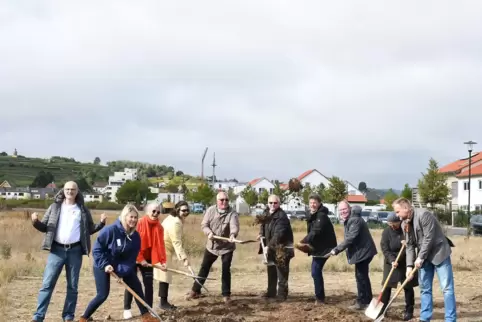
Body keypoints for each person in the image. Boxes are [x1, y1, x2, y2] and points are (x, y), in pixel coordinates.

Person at [30, 181, 106, 322]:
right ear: (63, 191)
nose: (70, 191)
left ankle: (68, 316)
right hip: (56, 251)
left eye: (73, 189)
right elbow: (45, 227)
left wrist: (101, 224)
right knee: (47, 284)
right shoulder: (54, 207)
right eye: (67, 189)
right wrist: (35, 222)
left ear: (77, 192)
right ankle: (38, 316)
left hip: (75, 251)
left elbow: (89, 229)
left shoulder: (82, 210)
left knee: (72, 286)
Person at [79, 204, 159, 322]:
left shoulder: (135, 237)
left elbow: (131, 259)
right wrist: (105, 265)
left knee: (136, 286)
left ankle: (146, 315)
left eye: (135, 217)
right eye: (130, 217)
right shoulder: (110, 230)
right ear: (124, 217)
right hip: (102, 264)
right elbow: (97, 249)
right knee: (102, 294)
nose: (133, 220)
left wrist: (121, 273)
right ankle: (84, 318)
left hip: (120, 265)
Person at [393, 197, 456, 322]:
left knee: (447, 288)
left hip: (439, 254)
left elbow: (429, 238)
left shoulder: (424, 215)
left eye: (397, 211)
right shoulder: (405, 223)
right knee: (424, 288)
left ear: (406, 208)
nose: (397, 215)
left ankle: (450, 319)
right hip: (424, 257)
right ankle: (425, 317)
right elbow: (410, 245)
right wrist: (409, 267)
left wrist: (420, 257)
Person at [185, 191, 239, 304]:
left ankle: (226, 295)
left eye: (226, 200)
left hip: (227, 246)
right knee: (204, 267)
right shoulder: (210, 210)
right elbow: (204, 225)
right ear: (217, 201)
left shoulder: (232, 213)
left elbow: (234, 226)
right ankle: (195, 290)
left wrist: (233, 235)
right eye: (221, 200)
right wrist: (208, 232)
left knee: (225, 269)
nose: (224, 202)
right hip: (212, 246)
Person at [328, 201, 378, 310]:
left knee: (361, 277)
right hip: (362, 252)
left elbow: (350, 238)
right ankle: (366, 299)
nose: (343, 212)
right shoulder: (351, 219)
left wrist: (336, 250)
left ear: (349, 208)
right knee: (362, 276)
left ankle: (362, 301)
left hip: (364, 252)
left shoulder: (354, 220)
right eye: (341, 210)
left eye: (344, 209)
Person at [123, 202, 167, 319]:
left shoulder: (159, 227)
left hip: (148, 259)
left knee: (149, 284)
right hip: (133, 256)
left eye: (158, 212)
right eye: (153, 211)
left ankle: (149, 309)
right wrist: (140, 259)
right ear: (147, 212)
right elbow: (134, 243)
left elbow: (160, 245)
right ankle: (127, 308)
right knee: (131, 282)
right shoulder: (140, 223)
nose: (156, 214)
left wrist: (163, 261)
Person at [297, 193, 337, 304]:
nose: (312, 205)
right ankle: (319, 296)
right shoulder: (313, 214)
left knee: (315, 271)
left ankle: (320, 298)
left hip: (325, 248)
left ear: (319, 203)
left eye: (315, 202)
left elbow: (316, 231)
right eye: (310, 203)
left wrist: (303, 241)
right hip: (318, 248)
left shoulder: (321, 216)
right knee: (315, 271)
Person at [379, 213, 418, 321]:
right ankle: (382, 310)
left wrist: (407, 243)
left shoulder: (406, 229)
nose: (392, 226)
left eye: (394, 224)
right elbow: (385, 248)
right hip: (390, 261)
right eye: (390, 224)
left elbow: (412, 245)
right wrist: (392, 260)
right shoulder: (386, 232)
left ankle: (409, 311)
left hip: (405, 261)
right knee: (386, 286)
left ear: (399, 222)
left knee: (407, 286)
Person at [154, 200, 191, 310]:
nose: (186, 213)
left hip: (161, 248)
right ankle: (163, 303)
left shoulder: (172, 218)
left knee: (164, 276)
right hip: (163, 250)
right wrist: (184, 258)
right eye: (183, 210)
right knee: (164, 276)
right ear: (177, 210)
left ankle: (163, 302)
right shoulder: (176, 222)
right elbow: (176, 242)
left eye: (188, 210)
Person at [257, 194, 294, 301]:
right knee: (271, 269)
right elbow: (262, 225)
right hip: (272, 247)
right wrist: (260, 233)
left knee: (282, 271)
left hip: (282, 248)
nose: (272, 205)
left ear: (279, 204)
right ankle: (271, 292)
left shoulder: (282, 217)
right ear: (268, 204)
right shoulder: (266, 213)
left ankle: (282, 295)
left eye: (275, 203)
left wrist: (269, 246)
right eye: (270, 203)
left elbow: (279, 235)